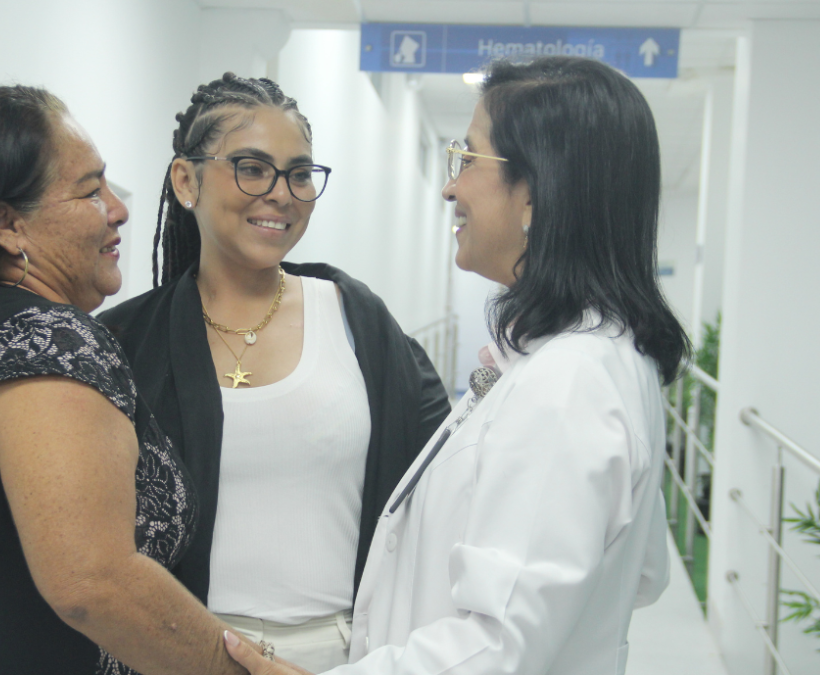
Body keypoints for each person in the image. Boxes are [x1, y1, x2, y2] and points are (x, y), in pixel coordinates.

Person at [226, 56, 689, 675]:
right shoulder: (593, 359)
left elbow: (501, 647)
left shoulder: (569, 382)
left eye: (469, 159)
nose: (451, 187)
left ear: (537, 190)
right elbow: (644, 573)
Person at [0, 85, 263, 675]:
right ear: (9, 225)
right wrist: (253, 670)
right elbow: (95, 583)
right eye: (90, 191)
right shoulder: (44, 340)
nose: (119, 208)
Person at [99, 73, 451, 671]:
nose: (281, 193)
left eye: (299, 173)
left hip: (345, 656)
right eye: (252, 168)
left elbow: (449, 476)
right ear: (187, 180)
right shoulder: (124, 343)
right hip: (176, 653)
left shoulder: (357, 322)